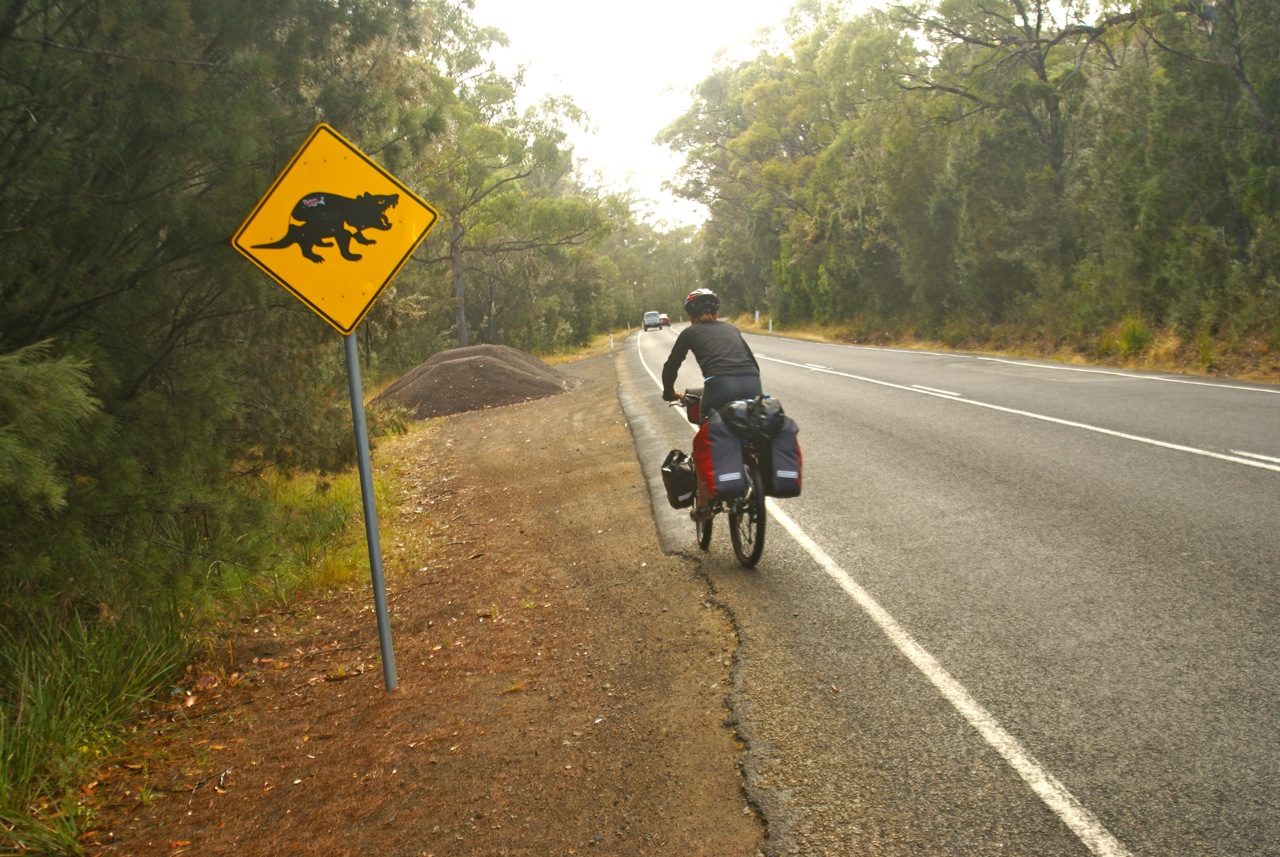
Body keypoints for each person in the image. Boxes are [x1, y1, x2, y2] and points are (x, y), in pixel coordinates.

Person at [661, 288, 763, 519]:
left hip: (719, 389)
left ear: (691, 315)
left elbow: (671, 366)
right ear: (716, 313)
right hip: (752, 384)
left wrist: (669, 392)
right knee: (751, 433)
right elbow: (754, 365)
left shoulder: (690, 333)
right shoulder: (732, 329)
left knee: (703, 442)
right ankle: (756, 478)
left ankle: (705, 503)